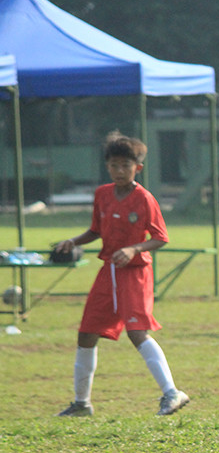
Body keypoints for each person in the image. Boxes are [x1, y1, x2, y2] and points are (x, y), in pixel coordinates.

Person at [54, 131, 190, 417]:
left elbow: (161, 237)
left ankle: (172, 393)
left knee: (137, 332)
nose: (119, 171)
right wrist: (73, 242)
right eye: (113, 165)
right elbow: (95, 230)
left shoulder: (144, 198)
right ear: (107, 166)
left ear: (137, 168)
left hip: (135, 273)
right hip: (108, 273)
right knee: (86, 333)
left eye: (125, 166)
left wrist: (134, 249)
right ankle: (82, 403)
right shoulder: (102, 194)